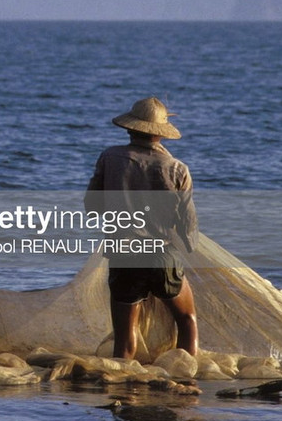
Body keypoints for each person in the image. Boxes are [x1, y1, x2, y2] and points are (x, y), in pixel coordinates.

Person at [84, 97, 199, 360]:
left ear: (129, 128)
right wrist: (188, 246)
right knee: (187, 319)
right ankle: (185, 382)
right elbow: (188, 226)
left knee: (124, 342)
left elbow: (92, 205)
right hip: (161, 256)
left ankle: (122, 394)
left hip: (123, 253)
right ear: (161, 134)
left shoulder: (109, 158)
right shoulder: (177, 169)